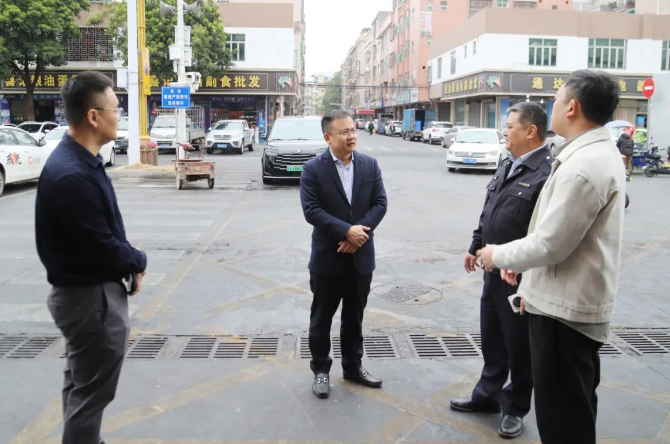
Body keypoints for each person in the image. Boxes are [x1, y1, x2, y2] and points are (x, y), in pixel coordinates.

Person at [477, 69, 624, 444]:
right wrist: (525, 274)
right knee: (571, 412)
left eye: (556, 100)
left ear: (572, 107)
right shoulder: (586, 154)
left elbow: (550, 243)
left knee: (562, 422)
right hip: (560, 301)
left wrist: (498, 255)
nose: (551, 107)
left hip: (564, 316)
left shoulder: (584, 166)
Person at [35, 71, 148, 444]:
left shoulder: (83, 161)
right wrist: (137, 260)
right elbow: (100, 246)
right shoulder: (72, 175)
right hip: (90, 301)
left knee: (81, 386)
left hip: (90, 295)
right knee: (90, 394)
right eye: (116, 109)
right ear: (94, 116)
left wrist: (129, 261)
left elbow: (104, 232)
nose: (120, 116)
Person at [450, 102, 553, 439]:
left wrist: (520, 267)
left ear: (530, 130)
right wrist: (475, 245)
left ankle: (515, 408)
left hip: (520, 277)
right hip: (492, 271)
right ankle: (487, 395)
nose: (504, 131)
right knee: (492, 339)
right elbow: (490, 209)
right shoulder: (508, 162)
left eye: (510, 126)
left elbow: (544, 236)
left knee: (519, 346)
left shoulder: (547, 173)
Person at [300, 109, 388, 399]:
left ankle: (353, 367)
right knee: (321, 318)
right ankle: (320, 370)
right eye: (344, 132)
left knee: (354, 317)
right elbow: (311, 210)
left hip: (360, 257)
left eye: (353, 130)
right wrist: (346, 231)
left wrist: (358, 235)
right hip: (328, 257)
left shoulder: (369, 165)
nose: (351, 136)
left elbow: (380, 203)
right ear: (328, 138)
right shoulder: (313, 169)